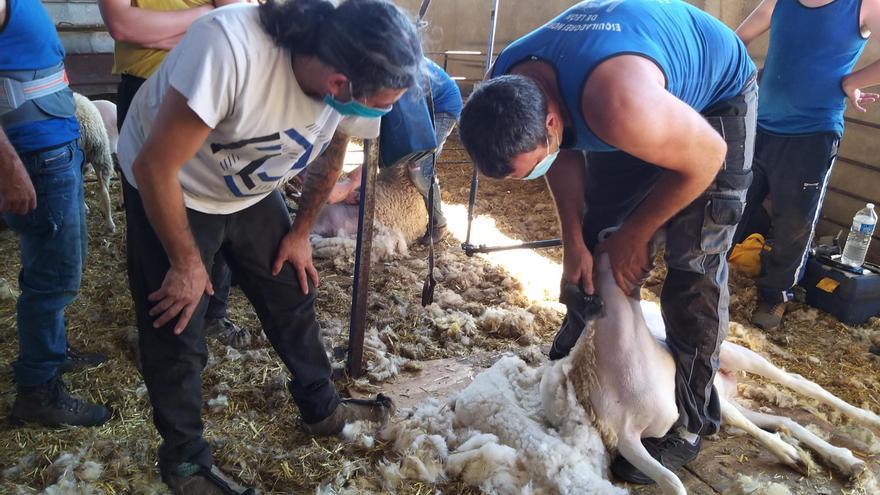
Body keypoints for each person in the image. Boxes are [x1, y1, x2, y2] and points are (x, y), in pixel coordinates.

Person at [116, 0, 422, 492]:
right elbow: (154, 167)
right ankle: (186, 462)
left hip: (249, 188)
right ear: (338, 85)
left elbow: (331, 157)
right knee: (176, 322)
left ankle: (321, 407)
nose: (382, 112)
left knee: (291, 289)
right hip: (175, 182)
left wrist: (300, 233)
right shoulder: (231, 49)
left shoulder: (358, 73)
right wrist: (186, 261)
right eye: (381, 104)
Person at [458, 0, 756, 484]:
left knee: (693, 260)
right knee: (597, 237)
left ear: (551, 121)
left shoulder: (617, 105)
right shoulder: (508, 82)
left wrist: (636, 236)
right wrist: (573, 240)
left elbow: (707, 157)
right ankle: (585, 347)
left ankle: (691, 416)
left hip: (715, 99)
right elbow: (563, 156)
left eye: (525, 167)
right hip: (631, 89)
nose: (527, 178)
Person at [98, 0, 252, 348]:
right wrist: (202, 21)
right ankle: (164, 334)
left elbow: (237, 18)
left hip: (209, 85)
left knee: (217, 197)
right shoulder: (205, 26)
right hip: (147, 87)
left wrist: (162, 28)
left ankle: (213, 312)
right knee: (150, 207)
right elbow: (123, 26)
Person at [734, 0, 880, 330]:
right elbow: (737, 39)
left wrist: (852, 82)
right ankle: (704, 272)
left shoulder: (863, 5)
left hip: (811, 134)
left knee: (793, 223)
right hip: (759, 124)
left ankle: (775, 296)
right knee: (733, 201)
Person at [0, 0, 109, 426]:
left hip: (54, 150)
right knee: (51, 280)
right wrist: (8, 169)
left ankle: (52, 351)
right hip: (35, 157)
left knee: (60, 264)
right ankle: (38, 389)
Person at [328, 58, 462, 245]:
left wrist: (353, 181)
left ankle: (438, 223)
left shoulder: (389, 70)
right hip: (418, 101)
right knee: (394, 155)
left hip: (442, 106)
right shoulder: (374, 68)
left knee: (419, 165)